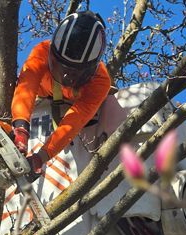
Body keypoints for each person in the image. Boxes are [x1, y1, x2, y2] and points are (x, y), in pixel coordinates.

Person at [10, 11, 111, 174]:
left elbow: (73, 123)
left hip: (75, 102)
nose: (64, 76)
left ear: (89, 70)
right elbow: (26, 89)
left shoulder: (100, 82)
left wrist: (41, 156)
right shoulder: (42, 51)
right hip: (42, 95)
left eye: (72, 72)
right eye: (60, 66)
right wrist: (21, 128)